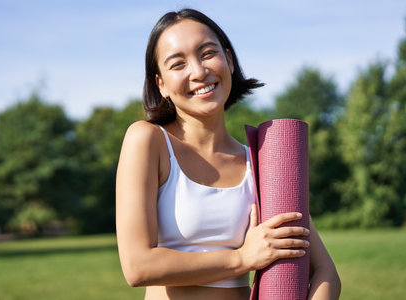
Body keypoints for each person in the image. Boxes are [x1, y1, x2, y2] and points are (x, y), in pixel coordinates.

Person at [116, 8, 341, 300]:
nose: (198, 71)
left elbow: (325, 272)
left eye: (207, 53)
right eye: (178, 63)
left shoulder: (261, 162)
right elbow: (138, 267)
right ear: (161, 85)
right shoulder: (148, 140)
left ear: (229, 61)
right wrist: (242, 259)